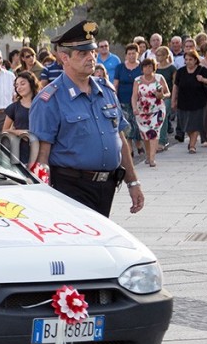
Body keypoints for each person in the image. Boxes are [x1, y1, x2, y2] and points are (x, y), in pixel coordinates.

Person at [29, 20, 144, 218]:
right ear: (64, 57)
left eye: (92, 52)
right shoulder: (50, 98)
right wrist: (43, 197)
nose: (91, 58)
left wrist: (132, 182)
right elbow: (41, 154)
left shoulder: (106, 90)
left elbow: (120, 138)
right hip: (70, 188)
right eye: (83, 54)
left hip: (106, 186)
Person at [172, 49, 207, 154]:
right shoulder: (181, 71)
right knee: (185, 124)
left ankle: (192, 145)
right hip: (183, 101)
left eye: (190, 59)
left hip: (199, 101)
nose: (188, 62)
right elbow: (175, 86)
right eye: (186, 59)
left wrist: (203, 79)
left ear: (196, 60)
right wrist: (173, 100)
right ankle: (192, 139)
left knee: (196, 123)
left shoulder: (202, 70)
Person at [131, 58, 169, 167]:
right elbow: (134, 96)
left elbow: (167, 93)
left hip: (157, 109)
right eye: (146, 66)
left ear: (154, 67)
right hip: (142, 111)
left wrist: (162, 96)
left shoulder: (159, 78)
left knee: (154, 132)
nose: (148, 69)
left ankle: (152, 158)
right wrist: (134, 108)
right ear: (142, 68)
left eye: (150, 66)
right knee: (145, 135)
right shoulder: (137, 80)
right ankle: (148, 155)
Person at [2, 71, 40, 164]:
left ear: (31, 83)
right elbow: (5, 130)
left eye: (22, 84)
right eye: (16, 85)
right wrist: (18, 132)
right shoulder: (13, 107)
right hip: (21, 150)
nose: (19, 87)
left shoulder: (41, 104)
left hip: (41, 148)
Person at [114, 43, 144, 157]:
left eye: (134, 53)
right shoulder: (120, 67)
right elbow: (115, 84)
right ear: (126, 55)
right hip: (123, 99)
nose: (131, 56)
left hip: (139, 100)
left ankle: (139, 144)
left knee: (137, 124)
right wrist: (114, 98)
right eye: (129, 53)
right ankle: (130, 148)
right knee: (127, 125)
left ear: (138, 54)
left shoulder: (142, 66)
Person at [154, 46, 177, 151]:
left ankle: (162, 141)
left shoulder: (172, 68)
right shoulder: (155, 68)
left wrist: (174, 99)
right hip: (154, 97)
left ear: (165, 56)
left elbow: (175, 84)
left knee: (162, 117)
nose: (157, 57)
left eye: (159, 55)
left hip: (167, 96)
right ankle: (157, 140)